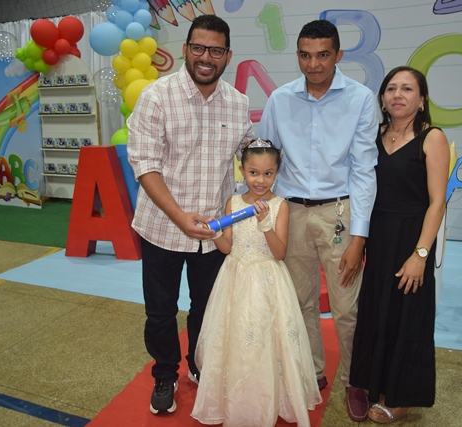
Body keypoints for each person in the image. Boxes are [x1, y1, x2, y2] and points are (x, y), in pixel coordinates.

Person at [126, 14, 254, 415]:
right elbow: (145, 166)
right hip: (162, 227)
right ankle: (165, 374)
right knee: (161, 311)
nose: (205, 57)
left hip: (215, 231)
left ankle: (200, 365)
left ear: (228, 56)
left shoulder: (238, 103)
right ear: (185, 49)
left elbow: (249, 155)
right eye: (198, 47)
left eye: (215, 50)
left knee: (208, 307)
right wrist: (179, 216)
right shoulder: (156, 96)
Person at [256, 19, 380, 421]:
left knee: (347, 307)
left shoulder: (360, 99)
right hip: (291, 212)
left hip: (339, 212)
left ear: (338, 55)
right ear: (297, 55)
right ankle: (310, 371)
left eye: (323, 55)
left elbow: (364, 170)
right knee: (300, 302)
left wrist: (359, 236)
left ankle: (355, 380)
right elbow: (265, 156)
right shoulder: (280, 99)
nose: (314, 64)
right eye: (305, 55)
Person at [191, 139, 322, 427]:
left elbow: (279, 252)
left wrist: (265, 225)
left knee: (266, 337)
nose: (260, 180)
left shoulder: (280, 206)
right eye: (253, 173)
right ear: (242, 171)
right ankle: (237, 397)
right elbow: (228, 248)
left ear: (277, 173)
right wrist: (215, 234)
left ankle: (269, 395)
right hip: (235, 277)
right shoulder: (233, 203)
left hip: (267, 280)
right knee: (236, 334)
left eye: (267, 173)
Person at [348, 66, 450, 423]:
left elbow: (437, 202)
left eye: (407, 89)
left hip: (412, 237)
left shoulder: (432, 138)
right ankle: (373, 385)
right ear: (382, 99)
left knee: (408, 318)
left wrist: (420, 254)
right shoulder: (373, 135)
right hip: (377, 236)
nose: (398, 95)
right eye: (391, 88)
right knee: (377, 312)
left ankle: (402, 397)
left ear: (422, 100)